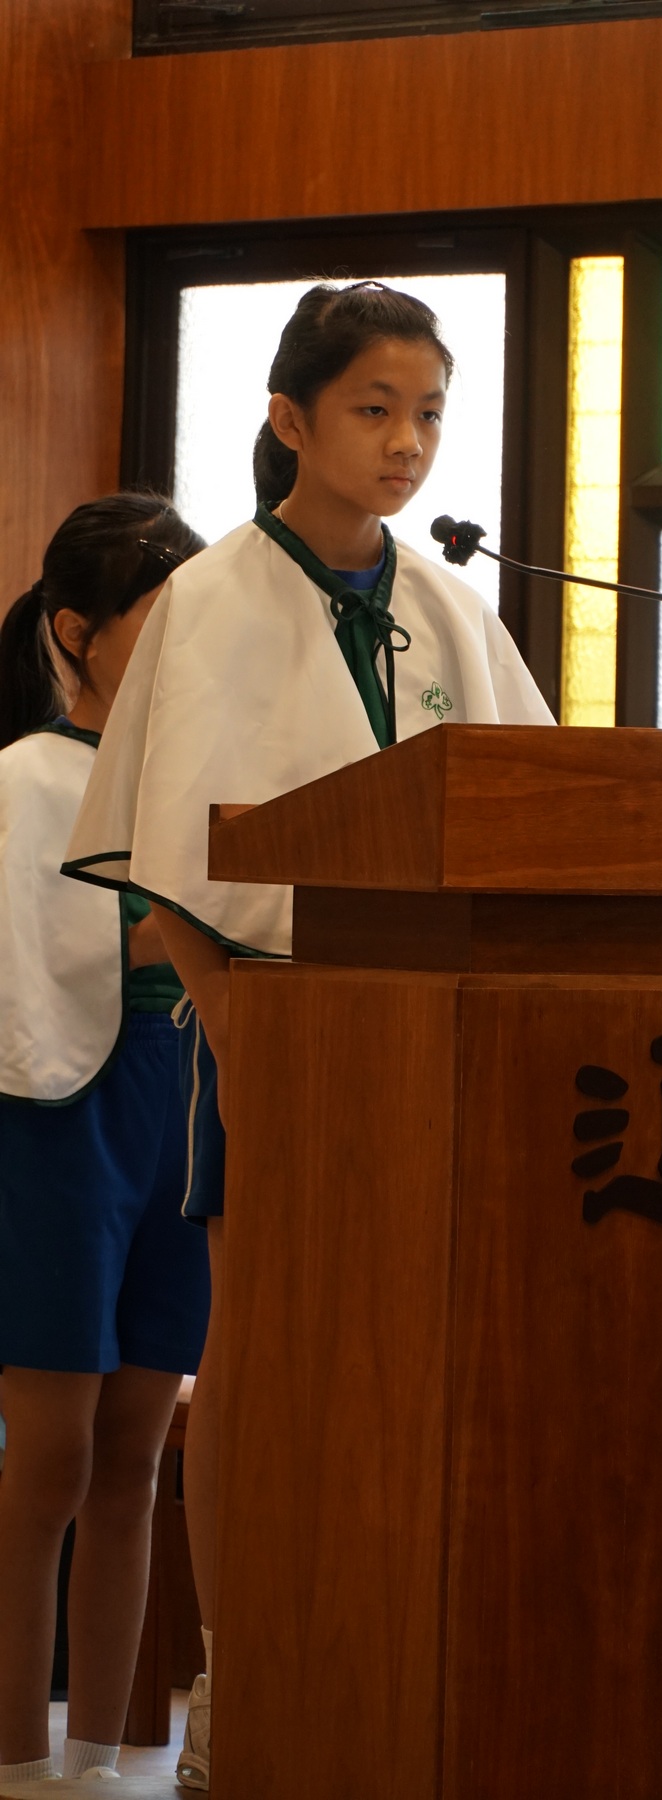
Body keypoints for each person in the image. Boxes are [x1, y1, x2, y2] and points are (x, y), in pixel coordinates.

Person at [62, 281, 555, 1790]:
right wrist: (250, 1054)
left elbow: (533, 814)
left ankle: (409, 1662)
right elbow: (174, 872)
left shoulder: (448, 603)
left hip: (441, 1054)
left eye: (430, 416)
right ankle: (247, 1678)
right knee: (267, 1365)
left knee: (429, 1365)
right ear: (290, 418)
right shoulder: (214, 596)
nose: (408, 445)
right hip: (274, 1041)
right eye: (374, 410)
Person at [0, 495, 211, 1787]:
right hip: (56, 1123)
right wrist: (174, 920)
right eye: (156, 624)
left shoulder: (193, 775)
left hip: (176, 1105)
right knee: (53, 1461)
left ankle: (99, 1763)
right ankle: (15, 1760)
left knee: (137, 1457)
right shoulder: (26, 778)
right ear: (77, 634)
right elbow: (39, 962)